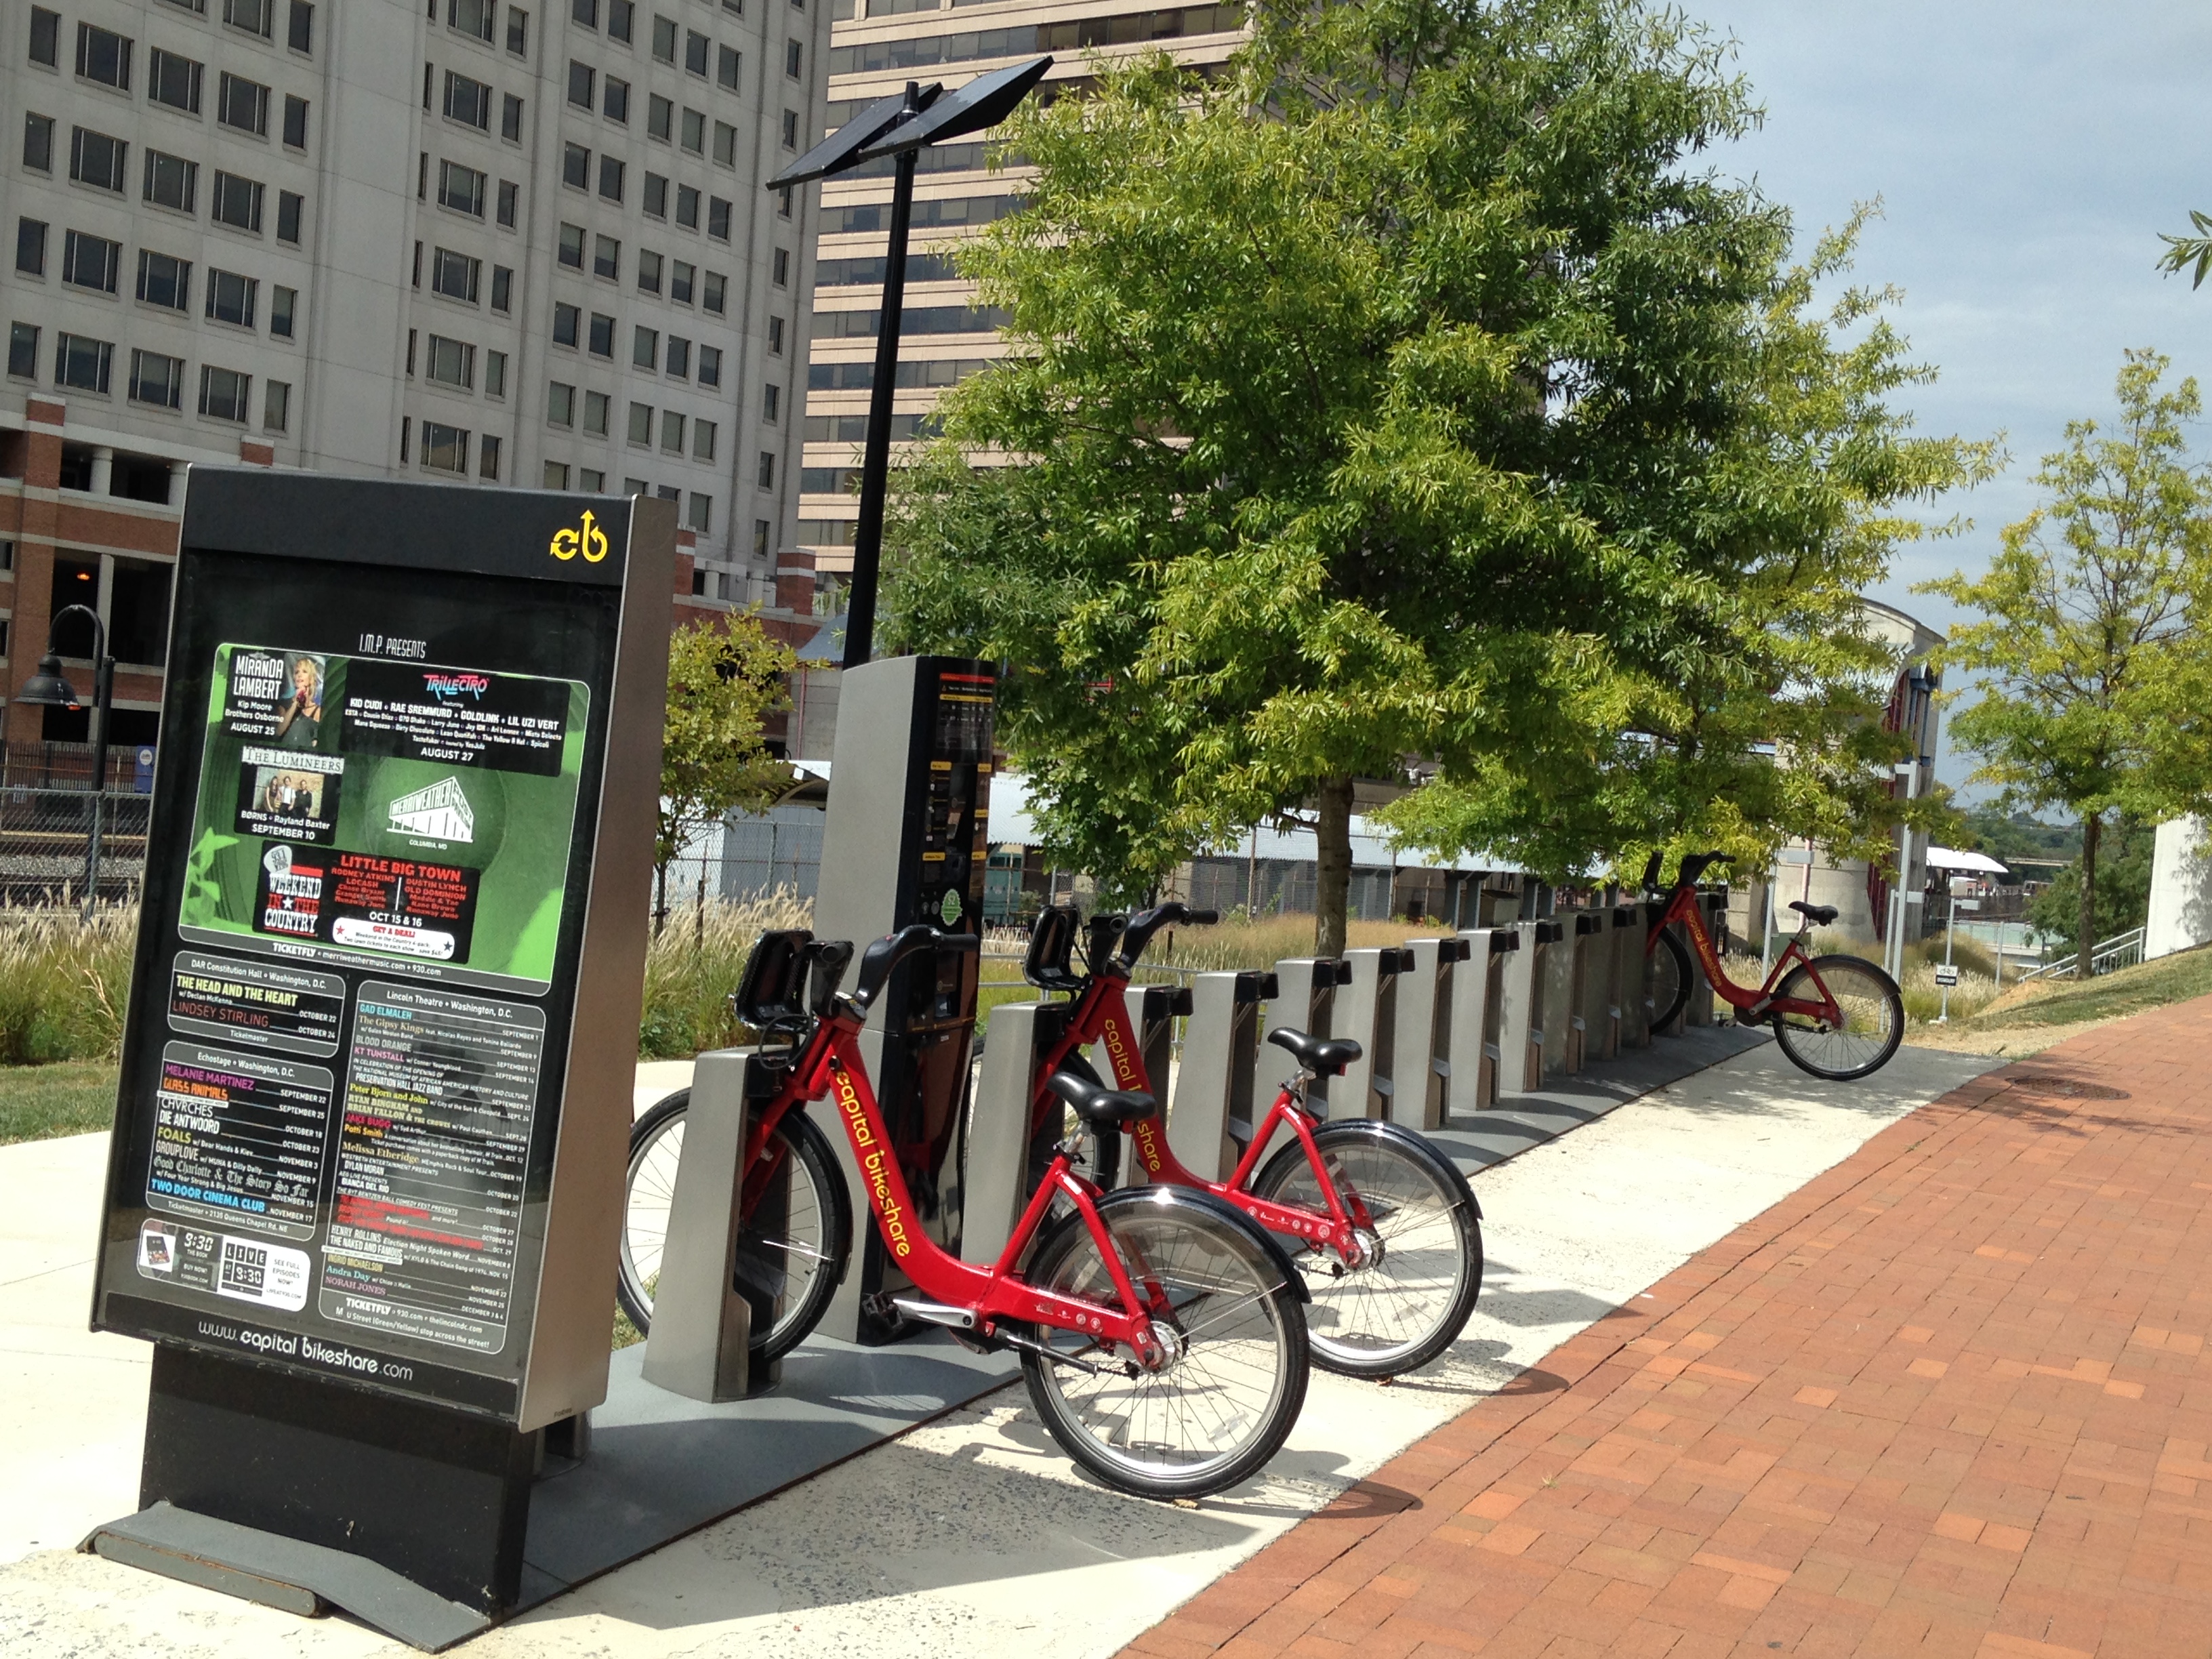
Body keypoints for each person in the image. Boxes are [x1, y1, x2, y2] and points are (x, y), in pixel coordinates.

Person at [274, 657, 322, 750]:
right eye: (297, 672)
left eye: (304, 671)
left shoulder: (317, 710)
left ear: (311, 678)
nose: (299, 675)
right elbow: (279, 731)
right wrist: (295, 703)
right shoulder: (284, 704)